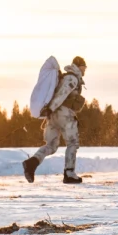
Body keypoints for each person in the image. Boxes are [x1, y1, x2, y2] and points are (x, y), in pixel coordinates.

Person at [22, 56, 87, 184]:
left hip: (54, 115)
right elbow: (61, 95)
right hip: (64, 114)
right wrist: (51, 108)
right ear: (79, 66)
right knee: (72, 142)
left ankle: (32, 163)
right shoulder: (72, 78)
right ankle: (69, 173)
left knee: (51, 145)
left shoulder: (66, 77)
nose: (85, 70)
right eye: (84, 67)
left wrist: (50, 111)